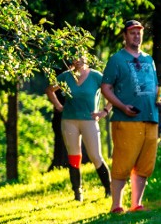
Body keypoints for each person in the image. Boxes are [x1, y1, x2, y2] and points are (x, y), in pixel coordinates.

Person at [101, 20, 160, 213]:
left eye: (139, 32)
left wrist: (158, 100)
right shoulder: (116, 60)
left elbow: (153, 87)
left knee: (145, 164)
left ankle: (137, 203)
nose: (137, 36)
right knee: (123, 162)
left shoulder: (149, 60)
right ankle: (116, 205)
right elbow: (106, 88)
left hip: (151, 117)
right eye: (132, 33)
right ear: (125, 36)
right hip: (126, 119)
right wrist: (122, 106)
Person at [45, 58, 112, 201]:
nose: (78, 60)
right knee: (74, 156)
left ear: (86, 58)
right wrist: (58, 106)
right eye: (75, 58)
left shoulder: (95, 76)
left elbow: (111, 92)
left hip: (89, 120)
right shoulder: (66, 76)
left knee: (95, 156)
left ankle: (109, 189)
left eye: (81, 57)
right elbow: (50, 90)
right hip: (69, 121)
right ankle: (78, 192)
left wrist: (104, 111)